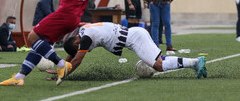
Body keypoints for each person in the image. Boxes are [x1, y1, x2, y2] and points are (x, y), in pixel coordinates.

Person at [62, 22, 207, 80]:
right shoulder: (83, 31)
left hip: (134, 39)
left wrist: (62, 75)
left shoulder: (86, 38)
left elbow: (77, 60)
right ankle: (194, 62)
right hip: (134, 35)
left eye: (78, 47)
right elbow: (73, 53)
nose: (80, 49)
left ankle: (194, 62)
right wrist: (62, 66)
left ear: (76, 41)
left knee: (159, 66)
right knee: (160, 61)